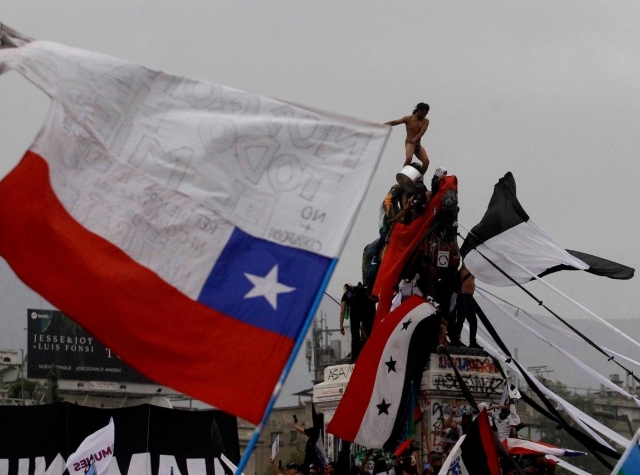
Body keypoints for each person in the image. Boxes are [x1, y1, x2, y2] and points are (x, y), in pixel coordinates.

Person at [385, 103, 431, 174]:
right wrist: (382, 125)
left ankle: (419, 177)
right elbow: (395, 122)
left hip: (417, 144)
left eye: (426, 114)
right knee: (409, 159)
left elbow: (421, 132)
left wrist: (415, 139)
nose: (424, 115)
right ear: (418, 110)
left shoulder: (425, 121)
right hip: (410, 143)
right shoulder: (409, 119)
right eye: (423, 113)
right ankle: (403, 174)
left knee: (426, 162)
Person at [450, 265, 481, 349]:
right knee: (461, 319)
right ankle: (455, 340)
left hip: (469, 297)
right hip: (462, 296)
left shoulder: (472, 270)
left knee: (473, 321)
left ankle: (473, 341)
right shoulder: (463, 270)